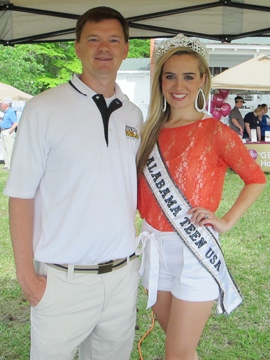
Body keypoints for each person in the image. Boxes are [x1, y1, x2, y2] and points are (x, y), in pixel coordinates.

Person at [4, 6, 143, 360]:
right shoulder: (44, 108)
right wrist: (27, 277)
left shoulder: (133, 114)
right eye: (93, 39)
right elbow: (20, 195)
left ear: (126, 48)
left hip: (121, 278)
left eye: (113, 39)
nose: (104, 48)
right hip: (61, 281)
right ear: (77, 47)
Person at [135, 34, 266, 360]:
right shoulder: (148, 130)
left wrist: (225, 221)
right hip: (154, 248)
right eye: (170, 75)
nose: (178, 85)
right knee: (181, 349)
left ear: (202, 80)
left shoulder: (217, 132)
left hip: (193, 250)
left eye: (188, 76)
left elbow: (255, 179)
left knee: (176, 352)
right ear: (160, 80)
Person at [0, 98, 18, 170]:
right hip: (3, 131)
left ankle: (10, 165)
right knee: (4, 149)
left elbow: (15, 123)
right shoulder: (5, 113)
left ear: (5, 104)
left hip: (8, 131)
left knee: (9, 149)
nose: (1, 105)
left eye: (2, 103)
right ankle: (6, 164)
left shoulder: (10, 112)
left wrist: (10, 131)